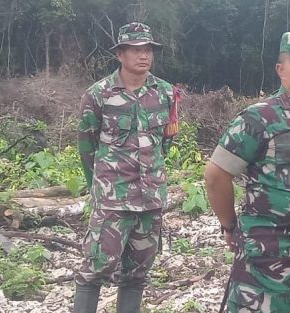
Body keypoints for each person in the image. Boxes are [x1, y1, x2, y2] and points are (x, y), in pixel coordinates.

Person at [204, 31, 290, 313]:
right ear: (281, 70)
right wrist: (230, 225)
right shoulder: (259, 117)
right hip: (268, 262)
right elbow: (216, 174)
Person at [74, 22, 178, 313]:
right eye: (135, 50)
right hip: (113, 200)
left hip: (150, 200)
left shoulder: (166, 94)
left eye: (147, 49)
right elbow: (87, 148)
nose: (143, 55)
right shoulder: (98, 95)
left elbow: (165, 143)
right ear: (120, 54)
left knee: (137, 274)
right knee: (95, 268)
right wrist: (101, 187)